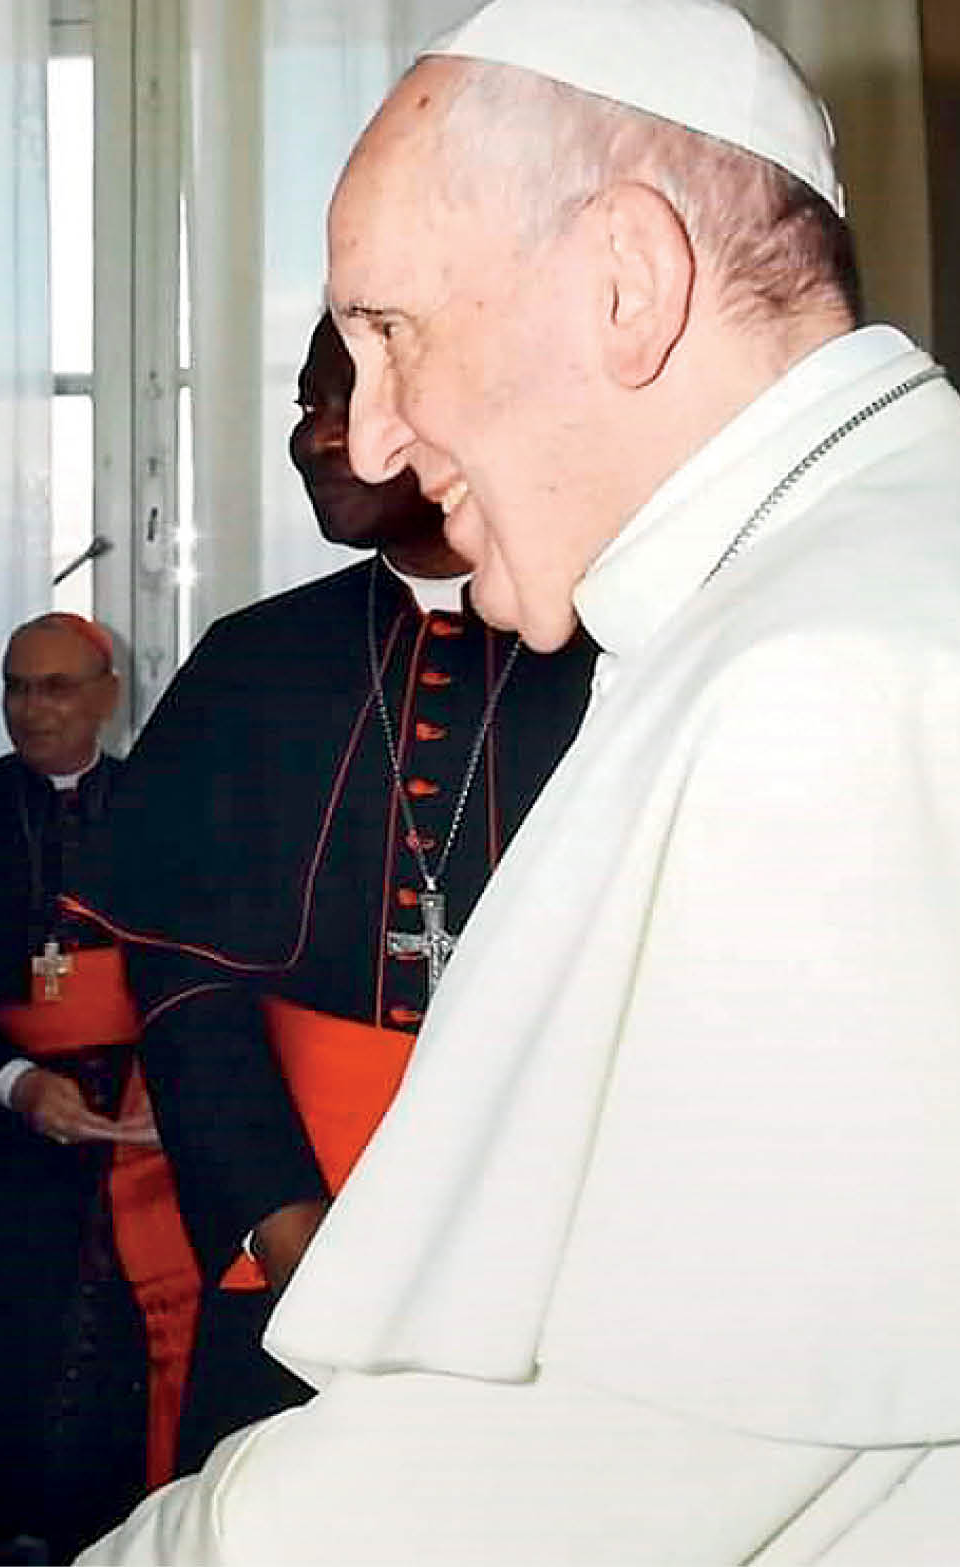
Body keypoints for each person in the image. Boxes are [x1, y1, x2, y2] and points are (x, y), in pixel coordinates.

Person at [84, 0, 960, 1559]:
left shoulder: (842, 676)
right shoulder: (896, 565)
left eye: (393, 330)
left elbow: (601, 1453)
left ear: (628, 280)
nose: (378, 433)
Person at [69, 313, 592, 1470]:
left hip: (570, 1227)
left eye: (344, 402)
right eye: (306, 404)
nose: (314, 435)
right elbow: (183, 986)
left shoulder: (617, 651)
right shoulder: (252, 663)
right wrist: (275, 1212)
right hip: (293, 1220)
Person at [0, 614, 200, 1557]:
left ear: (107, 695)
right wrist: (16, 1084)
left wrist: (169, 1085)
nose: (32, 707)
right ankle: (21, 1521)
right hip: (10, 1109)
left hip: (145, 1109)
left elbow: (207, 972)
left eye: (56, 687)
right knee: (8, 1275)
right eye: (16, 686)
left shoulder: (166, 806)